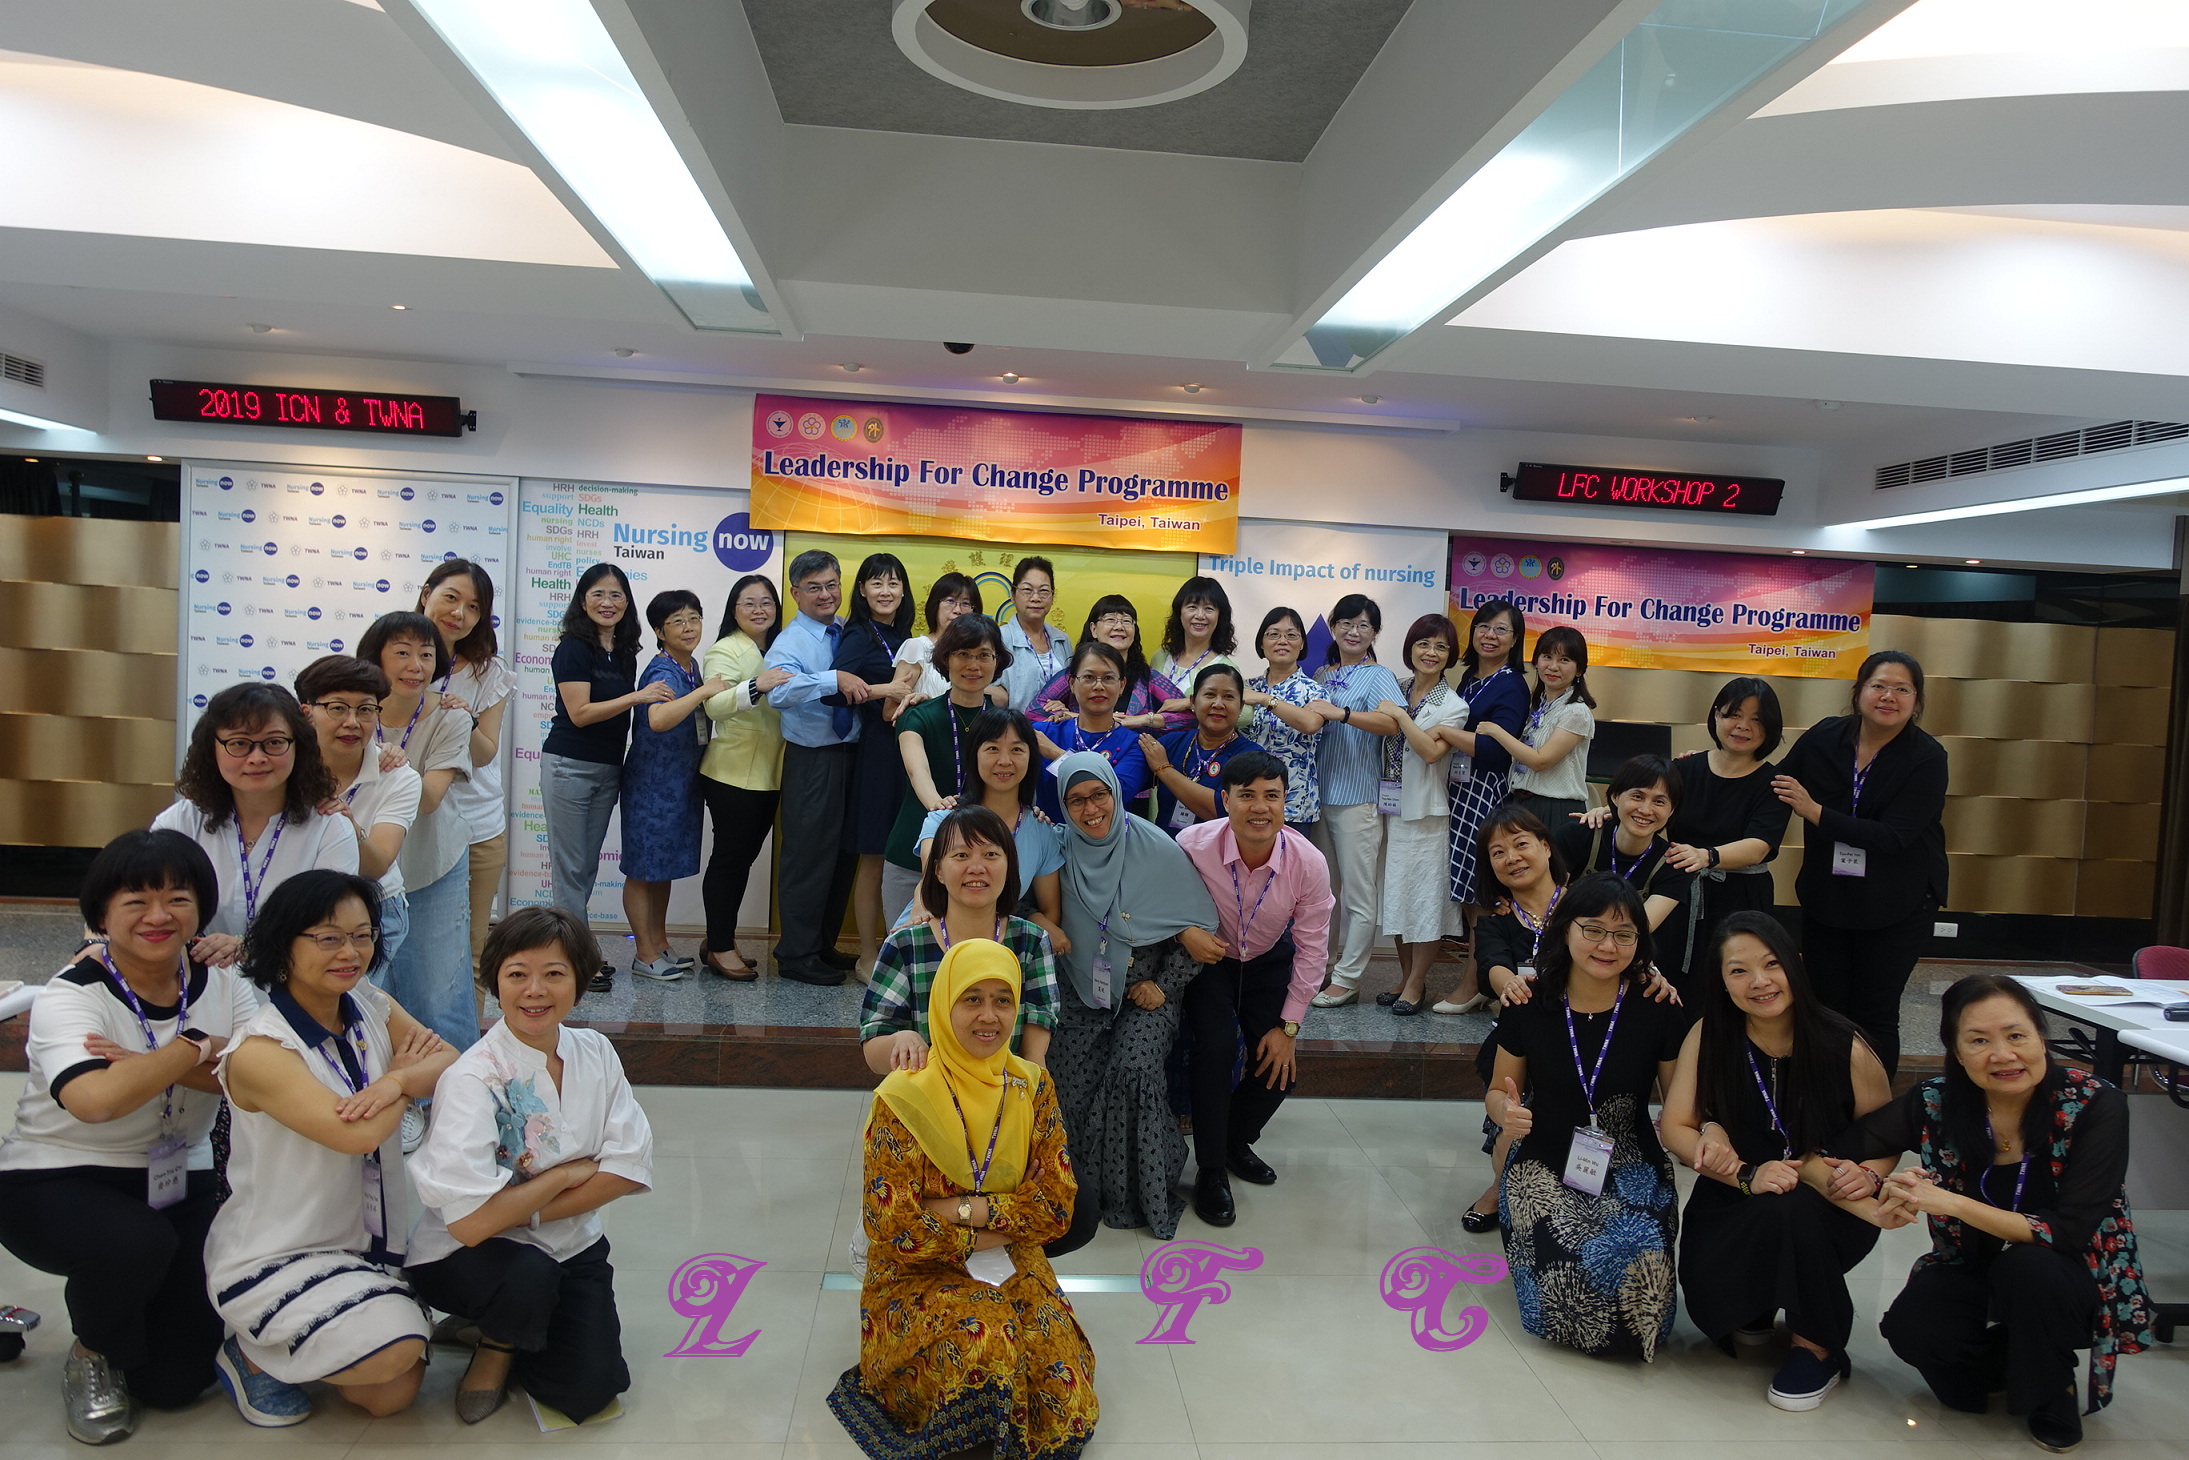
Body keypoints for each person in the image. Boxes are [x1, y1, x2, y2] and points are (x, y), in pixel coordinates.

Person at [0, 831, 255, 1443]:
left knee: (174, 1382)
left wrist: (144, 1061)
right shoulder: (72, 993)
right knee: (133, 1244)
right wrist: (199, 1047)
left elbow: (258, 1078)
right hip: (54, 1174)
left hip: (175, 1170)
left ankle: (124, 1330)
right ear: (102, 916)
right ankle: (91, 1353)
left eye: (178, 898)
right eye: (136, 901)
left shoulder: (223, 981)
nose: (160, 915)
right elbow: (96, 1101)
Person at [1827, 974, 2150, 1452]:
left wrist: (1950, 1202)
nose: (2002, 1055)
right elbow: (1845, 1147)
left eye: (2016, 1035)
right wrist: (1877, 1177)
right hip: (1971, 1264)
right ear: (1957, 1054)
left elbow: (2067, 1232)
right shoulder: (1937, 1101)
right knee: (1914, 1329)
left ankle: (2051, 1387)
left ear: (2041, 1037)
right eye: (1978, 1040)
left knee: (2030, 1264)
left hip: (2067, 1276)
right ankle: (2014, 1355)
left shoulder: (2094, 1105)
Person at [205, 870, 459, 1424]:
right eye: (327, 938)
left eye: (363, 935)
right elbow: (356, 1134)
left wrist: (394, 1081)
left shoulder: (367, 1001)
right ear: (281, 945)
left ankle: (329, 1337)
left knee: (391, 1395)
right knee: (397, 1348)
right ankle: (251, 1354)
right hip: (275, 1254)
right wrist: (403, 1074)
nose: (350, 952)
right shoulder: (261, 1049)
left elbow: (447, 1061)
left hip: (361, 1244)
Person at [828, 939, 1097, 1460]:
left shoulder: (1031, 1085)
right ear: (943, 1004)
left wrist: (963, 1211)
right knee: (985, 1336)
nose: (989, 1016)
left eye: (1003, 999)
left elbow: (1058, 1205)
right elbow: (895, 1228)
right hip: (916, 1274)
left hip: (1010, 1260)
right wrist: (1012, 1209)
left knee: (1060, 1383)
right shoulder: (904, 1096)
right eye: (971, 999)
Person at [406, 906, 653, 1425]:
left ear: (579, 981)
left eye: (554, 974)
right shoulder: (473, 1077)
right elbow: (472, 1224)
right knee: (528, 1276)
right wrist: (564, 1174)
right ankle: (496, 1341)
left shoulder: (596, 1051)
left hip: (572, 1246)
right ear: (496, 982)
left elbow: (627, 1167)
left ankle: (513, 1329)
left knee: (592, 1389)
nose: (535, 990)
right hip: (467, 1257)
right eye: (518, 975)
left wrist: (521, 1205)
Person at [1659, 912, 1896, 1410]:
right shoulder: (1710, 1035)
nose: (1759, 982)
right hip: (1737, 1194)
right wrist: (1738, 1167)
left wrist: (1871, 1173)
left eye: (1771, 964)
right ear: (1721, 983)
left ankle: (1817, 1345)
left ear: (1796, 965)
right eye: (1738, 971)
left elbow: (1886, 1135)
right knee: (1725, 1271)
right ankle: (1757, 1303)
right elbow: (1674, 1126)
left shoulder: (1844, 1045)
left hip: (1827, 1204)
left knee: (1792, 1208)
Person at [1487, 872, 1688, 1361]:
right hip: (1544, 1156)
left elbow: (1680, 1102)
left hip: (1632, 1159)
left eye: (1623, 934)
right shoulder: (1528, 1000)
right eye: (1593, 929)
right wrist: (1507, 1114)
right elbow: (1497, 1091)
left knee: (1641, 1254)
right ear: (1565, 930)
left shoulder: (1655, 1004)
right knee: (1567, 1257)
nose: (1607, 945)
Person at [1047, 753, 1223, 1241]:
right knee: (1069, 1080)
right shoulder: (1058, 852)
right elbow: (1024, 905)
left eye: (1098, 795)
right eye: (1076, 800)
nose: (1090, 810)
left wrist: (1163, 986)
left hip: (1150, 990)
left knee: (1133, 1068)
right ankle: (1083, 1191)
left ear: (1116, 793)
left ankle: (1137, 1190)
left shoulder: (1156, 846)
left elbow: (1205, 937)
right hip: (1082, 989)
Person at [1773, 650, 1948, 1080]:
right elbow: (1773, 782)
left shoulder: (1927, 757)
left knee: (1876, 1012)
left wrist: (1816, 812)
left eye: (1902, 689)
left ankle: (1870, 1119)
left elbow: (1893, 837)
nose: (1889, 697)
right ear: (1859, 692)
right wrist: (1707, 767)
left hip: (1899, 900)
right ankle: (1821, 1103)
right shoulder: (1826, 736)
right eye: (1879, 686)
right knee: (1823, 1007)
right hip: (1829, 896)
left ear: (1916, 699)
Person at [1177, 752, 1334, 1228]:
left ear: (1287, 801)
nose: (1260, 808)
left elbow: (1312, 950)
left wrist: (1289, 1027)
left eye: (1273, 796)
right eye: (1247, 796)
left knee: (1277, 1065)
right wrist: (1185, 932)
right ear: (1225, 800)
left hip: (1268, 960)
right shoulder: (1191, 844)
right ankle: (1208, 1171)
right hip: (1211, 960)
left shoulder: (1308, 862)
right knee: (1216, 1049)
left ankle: (1232, 1143)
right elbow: (1159, 901)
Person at [154, 682, 358, 970]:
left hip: (295, 986)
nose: (257, 758)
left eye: (274, 743)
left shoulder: (329, 829)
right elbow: (145, 901)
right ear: (212, 748)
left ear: (298, 746)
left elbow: (331, 925)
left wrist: (249, 946)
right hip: (198, 983)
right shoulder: (181, 822)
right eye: (239, 743)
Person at [860, 805, 1059, 1072]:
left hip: (1005, 1097)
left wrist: (1033, 1090)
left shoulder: (1031, 941)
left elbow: (1037, 1035)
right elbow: (873, 1045)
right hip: (927, 1101)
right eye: (961, 855)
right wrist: (899, 1040)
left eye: (990, 854)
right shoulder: (905, 945)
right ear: (938, 870)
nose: (976, 868)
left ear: (1010, 867)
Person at [359, 611, 477, 1058]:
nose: (416, 665)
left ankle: (455, 1096)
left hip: (433, 866)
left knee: (440, 990)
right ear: (377, 658)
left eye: (426, 655)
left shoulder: (450, 718)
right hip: (364, 871)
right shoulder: (353, 714)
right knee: (370, 989)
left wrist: (392, 762)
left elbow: (428, 798)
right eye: (402, 653)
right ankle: (389, 1089)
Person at [541, 564, 661, 991]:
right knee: (571, 869)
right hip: (569, 765)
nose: (607, 603)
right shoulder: (573, 647)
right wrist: (638, 697)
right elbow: (580, 712)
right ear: (582, 600)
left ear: (626, 601)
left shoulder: (624, 650)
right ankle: (574, 960)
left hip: (609, 767)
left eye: (615, 595)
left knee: (585, 868)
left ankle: (575, 950)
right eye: (597, 594)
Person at [1457, 803, 1570, 1233]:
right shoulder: (1495, 922)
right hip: (1521, 1039)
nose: (1512, 858)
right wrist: (1510, 985)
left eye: (1521, 844)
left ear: (1545, 845)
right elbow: (1492, 967)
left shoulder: (1583, 906)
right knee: (1510, 1123)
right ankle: (1499, 1188)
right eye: (1498, 853)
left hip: (1584, 1037)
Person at [766, 550, 876, 986]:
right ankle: (795, 955)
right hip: (813, 761)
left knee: (842, 857)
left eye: (832, 584)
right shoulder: (791, 641)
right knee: (808, 858)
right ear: (795, 593)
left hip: (851, 757)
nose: (826, 594)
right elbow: (777, 693)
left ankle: (821, 944)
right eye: (814, 587)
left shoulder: (845, 630)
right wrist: (835, 680)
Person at [415, 560, 516, 1007]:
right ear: (426, 594)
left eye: (473, 607)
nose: (459, 613)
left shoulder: (488, 671)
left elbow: (484, 752)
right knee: (403, 943)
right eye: (451, 597)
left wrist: (462, 717)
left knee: (471, 952)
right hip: (410, 822)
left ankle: (467, 1062)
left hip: (477, 825)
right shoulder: (392, 659)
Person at [619, 590, 728, 982]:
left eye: (694, 618)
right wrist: (703, 692)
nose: (689, 627)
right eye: (678, 621)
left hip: (679, 782)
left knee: (660, 870)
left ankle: (660, 944)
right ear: (658, 631)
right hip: (652, 783)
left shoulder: (690, 664)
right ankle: (644, 954)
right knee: (642, 871)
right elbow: (659, 720)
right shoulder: (662, 671)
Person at [1300, 593, 1402, 1008]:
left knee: (1359, 895)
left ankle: (1349, 976)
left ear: (1374, 632)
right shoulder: (1322, 674)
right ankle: (1319, 968)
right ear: (1334, 628)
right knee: (1323, 894)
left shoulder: (1378, 674)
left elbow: (1393, 722)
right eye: (1345, 623)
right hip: (1316, 797)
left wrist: (1341, 714)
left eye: (1363, 625)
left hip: (1358, 798)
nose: (1353, 631)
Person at [899, 708, 1068, 947]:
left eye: (1017, 749)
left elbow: (1050, 912)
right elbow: (929, 883)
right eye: (992, 748)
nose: (1005, 761)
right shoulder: (943, 818)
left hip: (997, 948)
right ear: (974, 755)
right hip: (931, 936)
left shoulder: (1041, 830)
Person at [884, 614, 1014, 925]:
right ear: (945, 659)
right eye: (963, 654)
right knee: (910, 956)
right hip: (911, 855)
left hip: (978, 861)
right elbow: (918, 772)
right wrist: (937, 805)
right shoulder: (918, 716)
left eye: (984, 655)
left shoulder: (1005, 724)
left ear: (997, 662)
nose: (974, 665)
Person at [297, 655, 421, 964]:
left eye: (365, 710)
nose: (352, 722)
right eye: (337, 708)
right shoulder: (282, 766)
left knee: (348, 1005)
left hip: (373, 908)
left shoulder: (398, 777)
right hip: (296, 899)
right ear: (307, 712)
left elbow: (376, 866)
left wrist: (350, 828)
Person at [1438, 597, 1528, 1015]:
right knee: (1468, 892)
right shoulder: (1469, 678)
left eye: (1501, 629)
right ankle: (1480, 979)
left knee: (1481, 893)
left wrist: (1441, 732)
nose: (1490, 635)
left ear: (1514, 640)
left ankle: (1475, 982)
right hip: (1458, 790)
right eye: (1483, 627)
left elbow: (1496, 752)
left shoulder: (1511, 683)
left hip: (1483, 792)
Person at [698, 574, 790, 980]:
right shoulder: (725, 649)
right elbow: (715, 705)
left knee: (742, 862)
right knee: (729, 863)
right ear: (734, 609)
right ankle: (718, 945)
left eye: (767, 602)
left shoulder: (781, 646)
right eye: (748, 602)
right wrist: (756, 685)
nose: (759, 610)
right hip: (732, 774)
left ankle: (722, 937)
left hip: (770, 772)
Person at [1375, 614, 1468, 1014]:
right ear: (1410, 648)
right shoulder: (1394, 687)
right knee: (1398, 901)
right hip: (1391, 809)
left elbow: (1431, 753)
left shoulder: (1454, 705)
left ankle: (1417, 985)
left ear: (1450, 656)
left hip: (1428, 814)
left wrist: (1399, 717)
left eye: (1441, 647)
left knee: (1427, 903)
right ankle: (1403, 977)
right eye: (1423, 644)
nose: (1430, 653)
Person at [833, 554, 919, 976]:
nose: (885, 591)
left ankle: (900, 950)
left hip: (911, 754)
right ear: (862, 590)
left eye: (893, 583)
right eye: (876, 583)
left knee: (904, 857)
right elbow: (832, 689)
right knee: (875, 858)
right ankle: (869, 956)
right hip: (879, 755)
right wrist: (885, 688)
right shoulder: (858, 634)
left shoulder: (904, 636)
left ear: (904, 590)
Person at [1554, 754, 1697, 937]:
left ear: (1672, 810)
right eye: (1637, 796)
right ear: (1615, 796)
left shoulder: (1674, 864)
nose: (1646, 810)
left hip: (1627, 952)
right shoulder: (1576, 836)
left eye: (1659, 802)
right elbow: (1551, 905)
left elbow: (1639, 930)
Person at [1477, 624, 1595, 831]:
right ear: (1537, 661)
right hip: (1522, 803)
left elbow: (1540, 761)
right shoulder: (1539, 705)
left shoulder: (1576, 712)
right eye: (1547, 657)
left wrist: (1496, 731)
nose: (1553, 666)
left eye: (1564, 660)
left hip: (1554, 809)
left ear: (1580, 669)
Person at [1033, 595, 1188, 733]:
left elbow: (1188, 718)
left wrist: (1143, 720)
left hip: (1134, 757)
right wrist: (1079, 717)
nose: (1119, 627)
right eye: (1110, 619)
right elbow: (1034, 711)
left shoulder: (1147, 677)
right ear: (1093, 629)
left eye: (1127, 621)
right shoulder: (1075, 673)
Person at [1034, 642, 1150, 820]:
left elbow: (1115, 793)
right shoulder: (1045, 733)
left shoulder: (1135, 745)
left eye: (1108, 678)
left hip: (1107, 843)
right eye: (1088, 677)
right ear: (1072, 683)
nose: (1098, 686)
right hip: (1049, 840)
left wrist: (1056, 754)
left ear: (1122, 685)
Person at [1142, 663, 1261, 835]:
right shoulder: (1171, 743)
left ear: (1241, 706)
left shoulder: (1252, 758)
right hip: (1166, 852)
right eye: (1210, 695)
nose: (1218, 704)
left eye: (1228, 697)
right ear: (1192, 702)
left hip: (1217, 856)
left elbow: (1222, 809)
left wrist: (1164, 769)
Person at [1240, 607, 1325, 832]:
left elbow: (1310, 724)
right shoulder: (1246, 686)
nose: (1282, 641)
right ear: (1261, 643)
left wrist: (1266, 699)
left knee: (1290, 867)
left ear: (1302, 644)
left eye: (1291, 635)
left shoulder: (1314, 690)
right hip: (1246, 798)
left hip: (1294, 805)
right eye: (1274, 634)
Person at [892, 570, 996, 706]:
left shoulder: (980, 655)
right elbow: (890, 711)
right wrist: (930, 707)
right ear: (935, 605)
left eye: (965, 604)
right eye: (950, 601)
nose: (957, 610)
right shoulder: (917, 647)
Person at [1151, 576, 1242, 721]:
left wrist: (1189, 703)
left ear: (1220, 617)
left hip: (1195, 741)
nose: (1200, 616)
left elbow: (1245, 715)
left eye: (1209, 609)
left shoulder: (1224, 667)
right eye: (1192, 607)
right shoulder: (1160, 656)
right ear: (1179, 613)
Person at [998, 556, 1072, 712]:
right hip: (1014, 729)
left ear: (1053, 596)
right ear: (1013, 594)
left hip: (1056, 730)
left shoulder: (1062, 640)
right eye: (1027, 590)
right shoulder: (998, 638)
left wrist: (1064, 707)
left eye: (1044, 591)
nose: (1036, 598)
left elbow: (1073, 689)